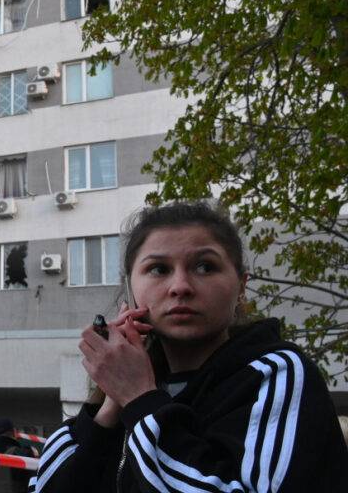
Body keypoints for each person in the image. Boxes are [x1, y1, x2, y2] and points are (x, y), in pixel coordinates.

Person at [30, 201, 348, 492]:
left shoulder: (277, 374)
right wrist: (112, 403)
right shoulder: (120, 400)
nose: (180, 286)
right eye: (159, 269)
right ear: (131, 287)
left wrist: (140, 400)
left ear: (241, 286)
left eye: (205, 267)